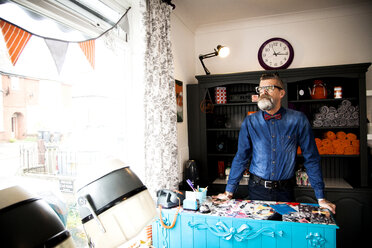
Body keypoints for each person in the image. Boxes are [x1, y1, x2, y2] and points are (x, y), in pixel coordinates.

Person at [214, 73, 336, 214]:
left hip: (285, 190)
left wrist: (321, 198)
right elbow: (241, 157)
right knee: (259, 232)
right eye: (260, 89)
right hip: (257, 189)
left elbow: (312, 158)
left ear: (281, 93)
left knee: (284, 233)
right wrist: (228, 192)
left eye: (270, 88)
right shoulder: (250, 121)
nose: (264, 92)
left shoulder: (298, 120)